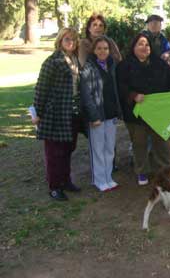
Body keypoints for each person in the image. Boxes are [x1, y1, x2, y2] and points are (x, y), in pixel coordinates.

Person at [116, 33, 170, 186]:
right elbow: (120, 87)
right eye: (140, 44)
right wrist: (133, 95)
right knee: (139, 143)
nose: (144, 47)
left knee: (161, 142)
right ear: (133, 47)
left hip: (157, 113)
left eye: (147, 44)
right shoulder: (124, 66)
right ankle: (142, 171)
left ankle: (165, 169)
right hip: (136, 114)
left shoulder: (159, 64)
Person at [33, 28, 83, 201]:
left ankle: (66, 180)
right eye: (67, 39)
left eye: (74, 40)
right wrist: (37, 113)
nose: (71, 42)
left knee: (68, 149)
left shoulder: (75, 59)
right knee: (54, 152)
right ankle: (54, 186)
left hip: (72, 113)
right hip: (55, 113)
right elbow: (41, 89)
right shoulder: (52, 61)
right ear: (60, 40)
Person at [80, 36, 121, 192]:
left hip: (111, 114)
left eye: (105, 48)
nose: (103, 51)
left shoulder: (111, 66)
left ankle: (108, 177)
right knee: (98, 149)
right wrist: (93, 116)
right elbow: (86, 95)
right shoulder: (88, 68)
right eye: (99, 48)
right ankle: (99, 180)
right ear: (93, 50)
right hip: (97, 116)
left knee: (109, 148)